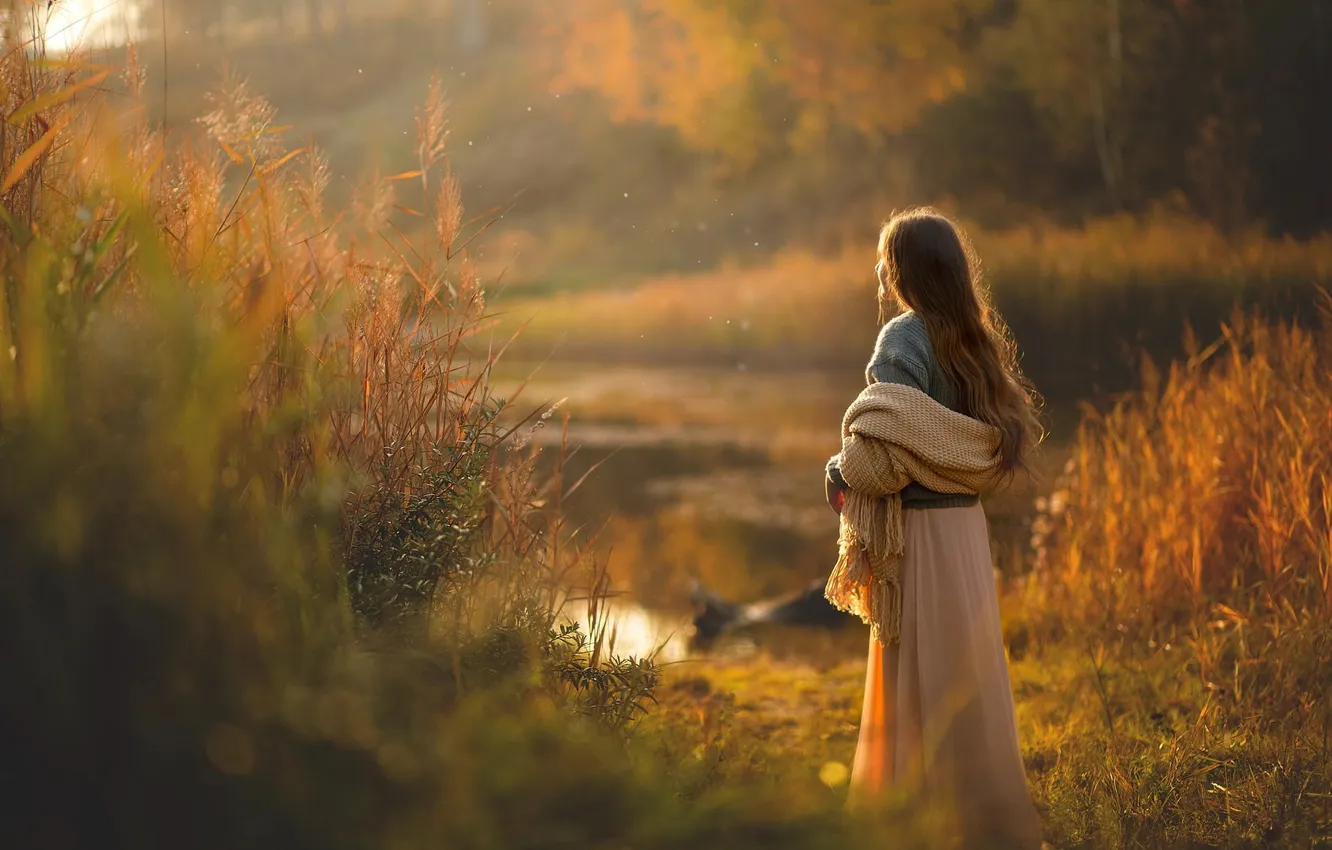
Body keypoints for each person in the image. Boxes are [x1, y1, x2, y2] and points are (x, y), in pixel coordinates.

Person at [825, 209, 1044, 848]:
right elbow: (972, 446)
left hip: (916, 538)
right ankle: (983, 819)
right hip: (966, 537)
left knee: (918, 676)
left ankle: (914, 820)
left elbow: (876, 456)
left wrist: (836, 468)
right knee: (966, 676)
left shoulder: (904, 338)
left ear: (901, 271)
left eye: (884, 263)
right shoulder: (979, 341)